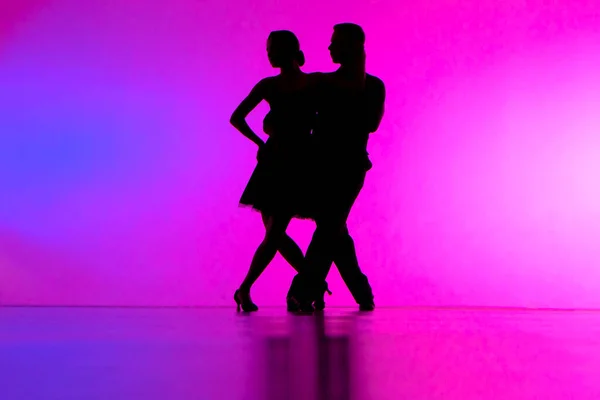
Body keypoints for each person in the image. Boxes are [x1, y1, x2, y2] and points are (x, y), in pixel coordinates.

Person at [286, 23, 386, 312]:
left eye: (335, 43)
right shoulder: (331, 84)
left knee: (330, 226)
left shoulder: (362, 85)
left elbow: (371, 123)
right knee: (333, 229)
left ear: (353, 47)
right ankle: (359, 291)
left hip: (347, 165)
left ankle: (305, 290)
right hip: (323, 164)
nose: (329, 48)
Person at [230, 30, 317, 312]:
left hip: (283, 161)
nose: (268, 54)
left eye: (272, 49)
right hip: (288, 160)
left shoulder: (278, 85)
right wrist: (261, 140)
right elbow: (237, 117)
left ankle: (246, 288)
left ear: (285, 51)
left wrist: (261, 139)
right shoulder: (307, 84)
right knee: (275, 233)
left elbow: (237, 117)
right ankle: (313, 282)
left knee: (275, 232)